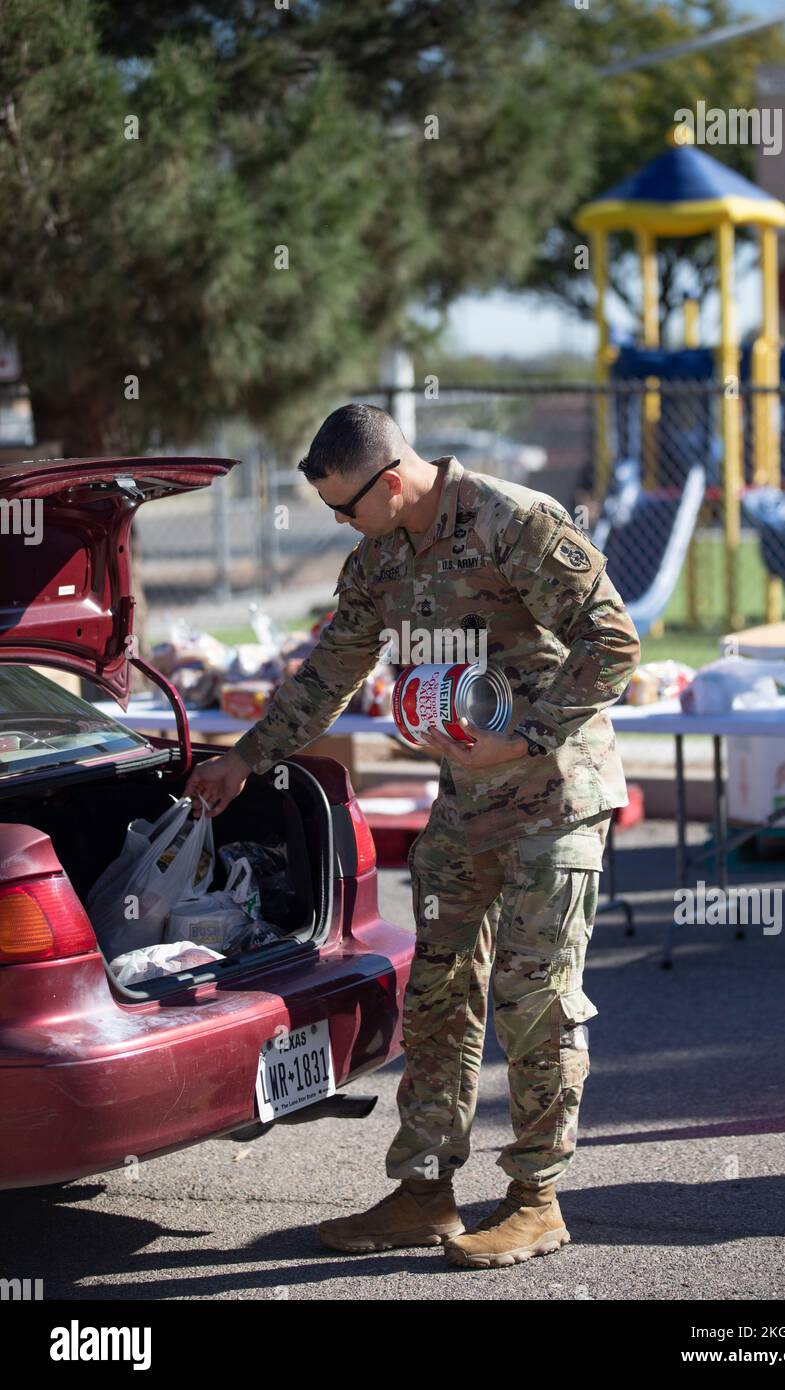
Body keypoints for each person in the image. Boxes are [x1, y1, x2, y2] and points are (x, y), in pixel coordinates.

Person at [184, 403, 640, 1269]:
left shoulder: (516, 522)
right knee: (437, 995)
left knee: (534, 1000)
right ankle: (426, 1192)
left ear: (391, 481)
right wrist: (244, 759)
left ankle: (535, 1200)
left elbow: (614, 640)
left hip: (555, 796)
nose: (340, 524)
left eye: (345, 508)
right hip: (466, 804)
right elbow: (329, 672)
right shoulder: (380, 557)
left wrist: (531, 732)